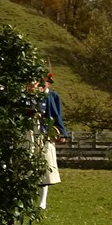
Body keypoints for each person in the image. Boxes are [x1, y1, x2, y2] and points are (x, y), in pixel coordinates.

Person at [35, 73, 65, 209]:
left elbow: (57, 114)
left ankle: (43, 201)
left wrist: (62, 132)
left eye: (44, 82)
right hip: (32, 132)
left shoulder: (53, 96)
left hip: (45, 133)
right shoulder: (32, 95)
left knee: (45, 165)